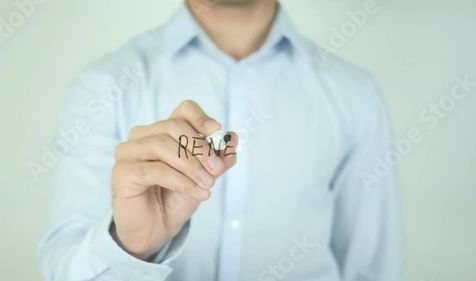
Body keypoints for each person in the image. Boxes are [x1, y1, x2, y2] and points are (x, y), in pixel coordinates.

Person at [38, 0, 406, 280]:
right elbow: (62, 269)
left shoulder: (356, 97)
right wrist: (133, 246)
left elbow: (374, 269)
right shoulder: (101, 87)